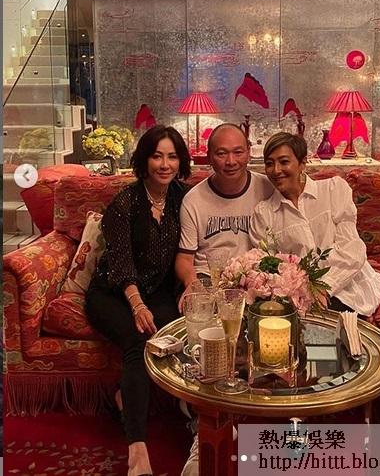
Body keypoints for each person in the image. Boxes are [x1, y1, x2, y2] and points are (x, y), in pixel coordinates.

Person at [85, 125, 191, 476]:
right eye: (157, 156)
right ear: (144, 160)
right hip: (112, 292)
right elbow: (121, 262)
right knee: (138, 340)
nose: (165, 164)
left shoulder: (184, 198)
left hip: (156, 291)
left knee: (173, 334)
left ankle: (143, 401)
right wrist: (137, 305)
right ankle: (137, 449)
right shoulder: (125, 202)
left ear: (181, 162)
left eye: (172, 156)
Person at [175, 122, 273, 475]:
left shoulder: (265, 187)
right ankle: (202, 431)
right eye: (221, 153)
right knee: (209, 336)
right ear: (208, 157)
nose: (231, 161)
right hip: (210, 279)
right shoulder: (194, 200)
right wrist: (192, 284)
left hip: (257, 277)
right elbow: (185, 257)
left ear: (249, 153)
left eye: (238, 152)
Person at [249, 132, 380, 317]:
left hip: (348, 287)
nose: (276, 170)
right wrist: (300, 294)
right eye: (269, 163)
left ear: (302, 163)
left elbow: (352, 248)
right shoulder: (263, 213)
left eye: (284, 162)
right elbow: (269, 267)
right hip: (299, 298)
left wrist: (325, 288)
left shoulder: (333, 190)